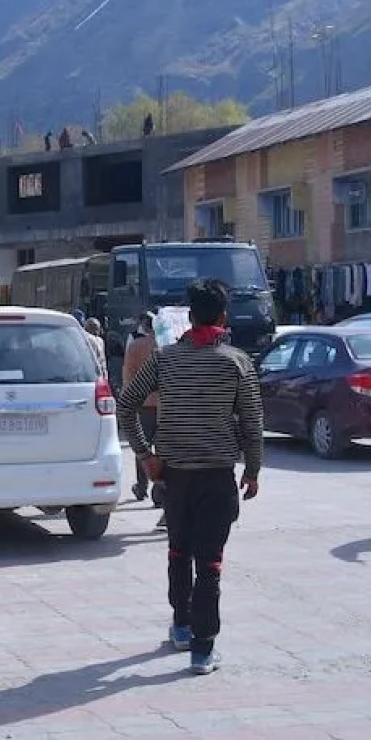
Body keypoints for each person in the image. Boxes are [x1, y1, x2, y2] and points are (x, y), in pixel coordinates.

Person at [118, 279, 264, 676]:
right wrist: (252, 470)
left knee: (178, 553)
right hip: (217, 478)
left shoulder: (163, 360)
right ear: (223, 316)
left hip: (174, 476)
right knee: (210, 563)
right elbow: (252, 423)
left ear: (190, 316)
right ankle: (203, 650)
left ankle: (182, 627)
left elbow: (126, 405)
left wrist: (145, 455)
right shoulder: (237, 362)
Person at [121, 313, 161, 512]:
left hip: (143, 404)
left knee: (142, 448)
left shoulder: (135, 346)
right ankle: (160, 492)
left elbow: (128, 376)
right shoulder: (168, 347)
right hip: (165, 405)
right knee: (163, 450)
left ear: (144, 326)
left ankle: (142, 486)